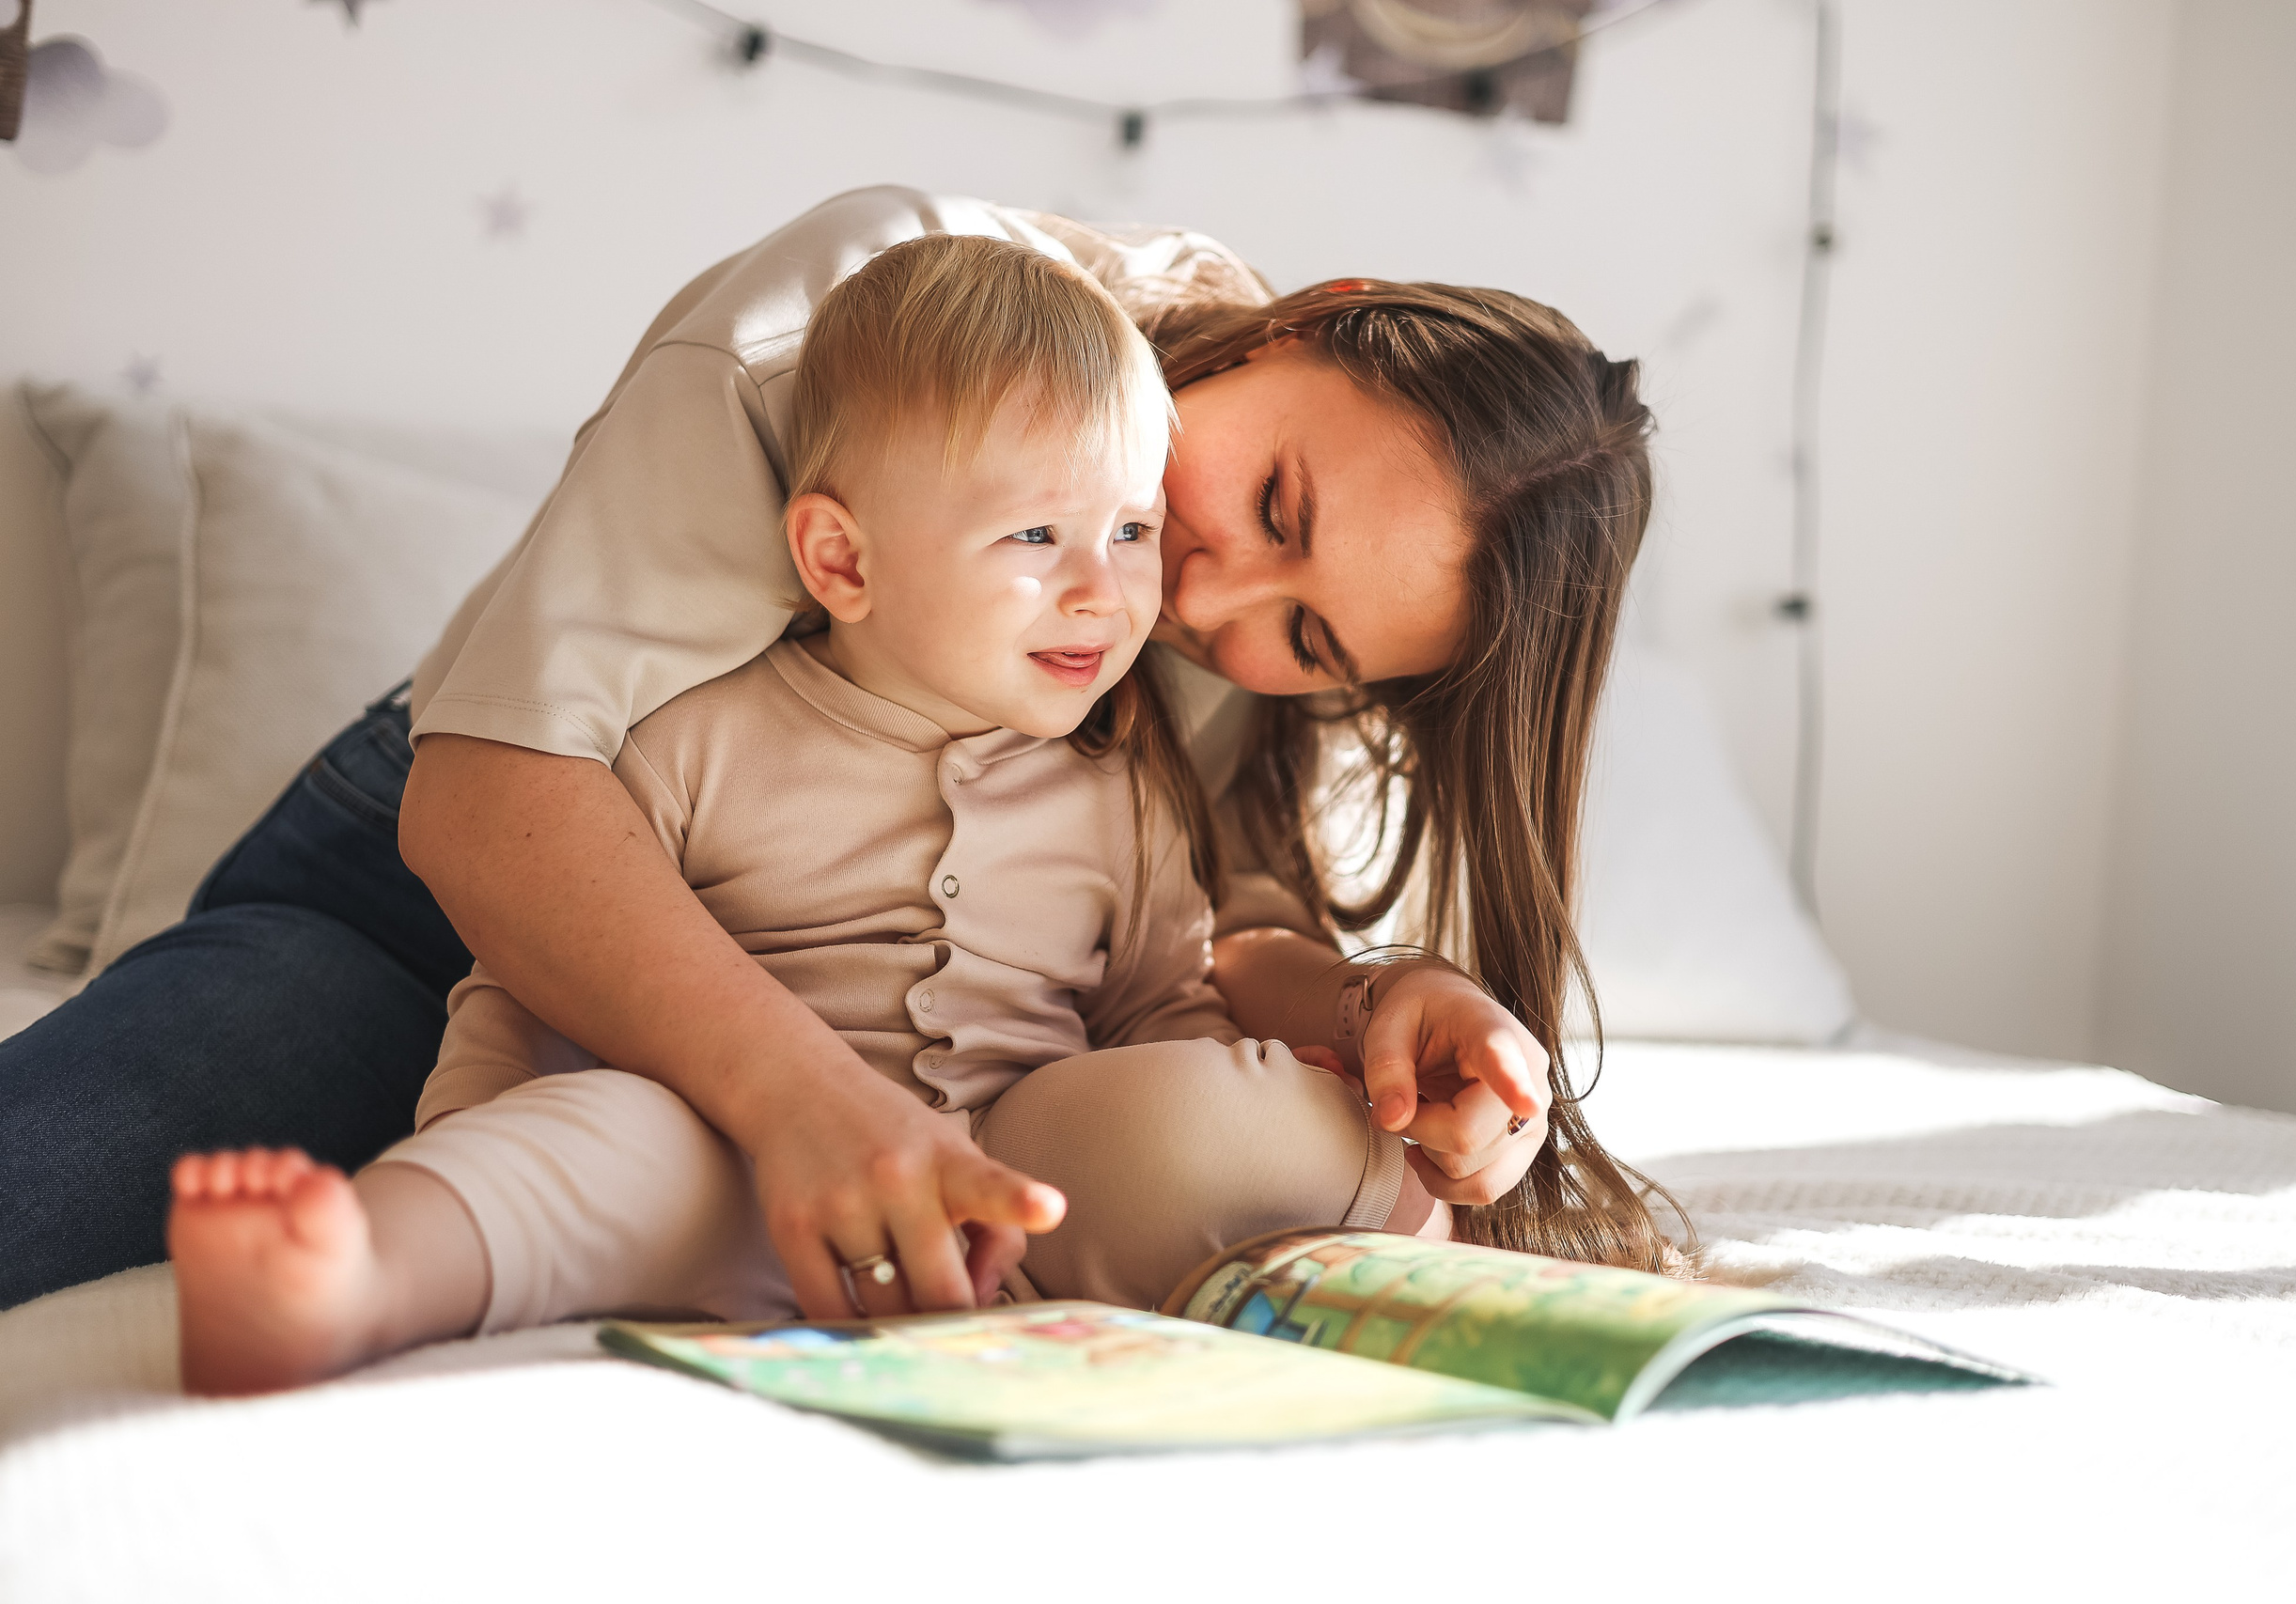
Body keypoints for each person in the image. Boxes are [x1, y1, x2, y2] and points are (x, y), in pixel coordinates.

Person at [0, 185, 1672, 1315]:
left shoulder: (1191, 629)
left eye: (1310, 642)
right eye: (1280, 502)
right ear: (1317, 314)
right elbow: (493, 794)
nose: (1208, 596)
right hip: (447, 877)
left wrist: (1391, 1008)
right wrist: (818, 1108)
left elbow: (1186, 949)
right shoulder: (856, 318)